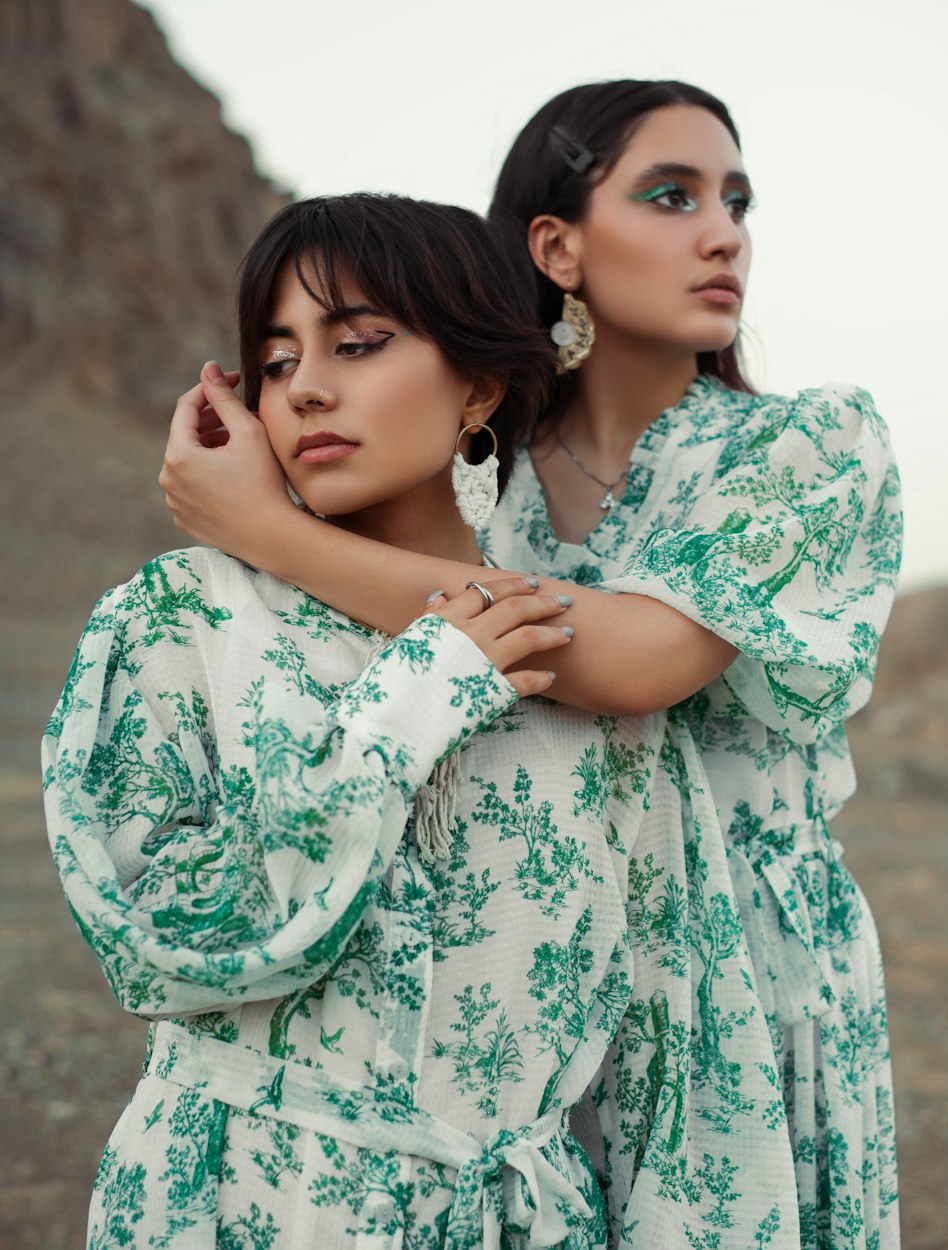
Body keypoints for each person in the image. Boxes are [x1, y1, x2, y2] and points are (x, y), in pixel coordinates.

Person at [157, 83, 903, 1250]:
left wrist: (263, 528)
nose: (723, 233)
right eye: (672, 194)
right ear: (554, 243)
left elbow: (639, 657)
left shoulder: (808, 446)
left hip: (743, 982)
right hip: (525, 986)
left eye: (737, 201)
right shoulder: (472, 480)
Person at [44, 193, 681, 1249]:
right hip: (241, 1203)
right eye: (278, 359)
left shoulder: (574, 656)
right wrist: (417, 695)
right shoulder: (182, 616)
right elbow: (159, 943)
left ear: (478, 383)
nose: (309, 389)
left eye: (358, 342)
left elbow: (664, 1050)